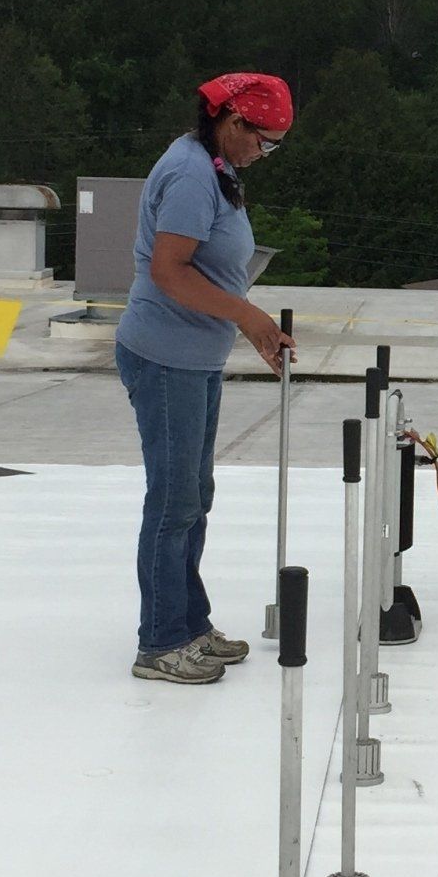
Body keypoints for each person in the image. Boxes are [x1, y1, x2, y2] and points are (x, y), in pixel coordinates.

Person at [115, 72, 296, 685]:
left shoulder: (216, 166)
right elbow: (170, 271)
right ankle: (160, 641)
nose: (263, 154)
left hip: (194, 357)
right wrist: (248, 316)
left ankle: (190, 624)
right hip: (165, 356)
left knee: (194, 497)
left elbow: (213, 268)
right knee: (173, 502)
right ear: (233, 121)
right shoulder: (192, 174)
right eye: (263, 141)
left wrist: (248, 324)